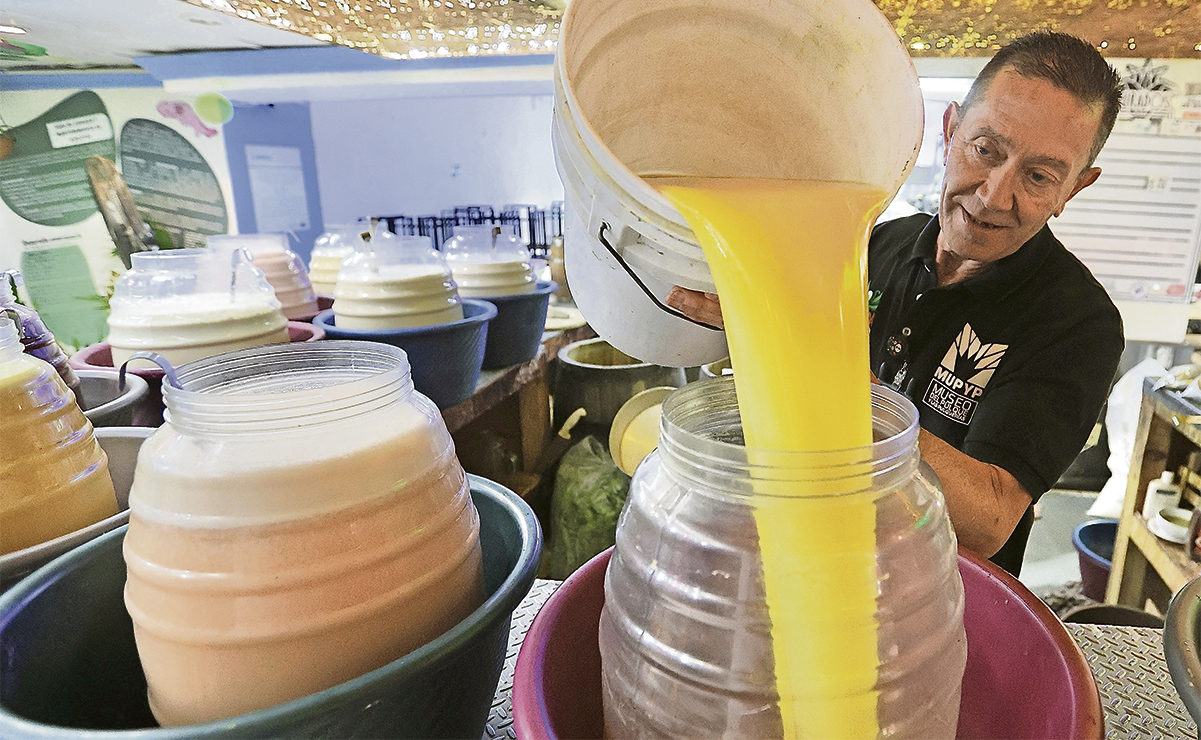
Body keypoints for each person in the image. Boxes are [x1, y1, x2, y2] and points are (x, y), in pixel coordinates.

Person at [665, 31, 1125, 575]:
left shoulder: (1078, 322)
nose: (993, 196)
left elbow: (988, 522)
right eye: (986, 149)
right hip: (817, 552)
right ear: (950, 131)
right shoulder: (874, 242)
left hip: (935, 594)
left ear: (1074, 188)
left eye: (1039, 176)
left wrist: (829, 369)